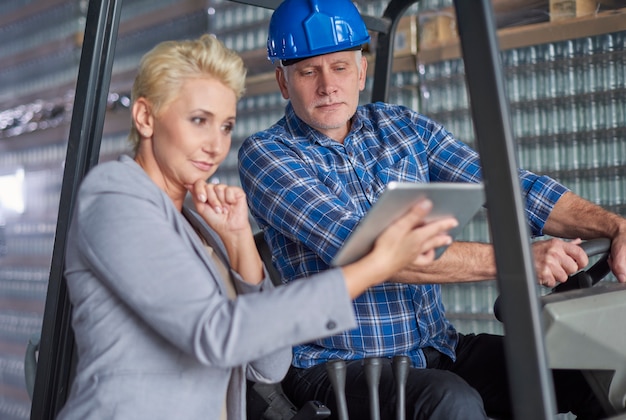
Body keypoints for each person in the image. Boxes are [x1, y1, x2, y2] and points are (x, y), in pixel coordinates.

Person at [237, 0, 626, 418]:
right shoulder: (267, 155)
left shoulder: (401, 127)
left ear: (361, 70)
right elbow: (367, 248)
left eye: (340, 67)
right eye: (309, 71)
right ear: (283, 81)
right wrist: (517, 261)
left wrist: (615, 226)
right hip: (337, 363)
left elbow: (508, 187)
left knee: (585, 370)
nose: (328, 85)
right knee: (450, 402)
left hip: (436, 347)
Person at [56, 34, 457, 420]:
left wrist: (241, 246)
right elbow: (216, 336)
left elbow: (269, 365)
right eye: (199, 120)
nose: (215, 145)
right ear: (145, 117)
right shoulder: (114, 197)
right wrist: (376, 264)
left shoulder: (198, 226)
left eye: (226, 126)